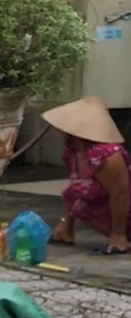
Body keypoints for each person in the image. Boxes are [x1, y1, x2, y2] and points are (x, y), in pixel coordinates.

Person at [43, 95, 131, 255]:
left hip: (125, 211)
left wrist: (118, 235)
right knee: (73, 196)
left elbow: (121, 194)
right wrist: (66, 225)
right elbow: (76, 190)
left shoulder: (108, 155)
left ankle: (122, 236)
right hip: (103, 208)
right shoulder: (74, 153)